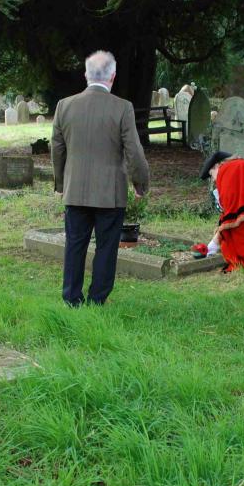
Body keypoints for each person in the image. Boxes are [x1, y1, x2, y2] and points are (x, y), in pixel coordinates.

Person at [52, 50, 150, 306]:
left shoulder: (64, 106)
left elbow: (57, 148)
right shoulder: (122, 107)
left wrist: (60, 184)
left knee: (75, 245)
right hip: (110, 193)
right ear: (113, 76)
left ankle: (71, 298)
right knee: (106, 247)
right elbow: (134, 150)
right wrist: (140, 183)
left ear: (86, 75)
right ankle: (97, 299)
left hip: (75, 190)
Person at [199, 151, 244, 273]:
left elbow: (231, 217)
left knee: (236, 236)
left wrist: (213, 244)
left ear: (217, 166)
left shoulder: (226, 172)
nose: (214, 180)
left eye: (212, 175)